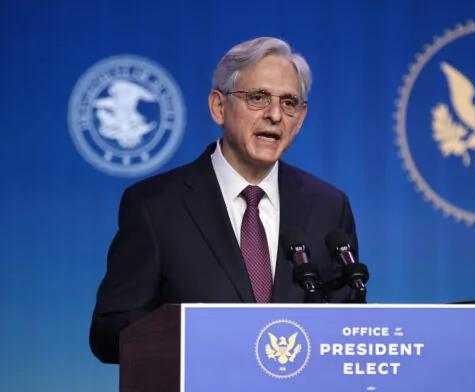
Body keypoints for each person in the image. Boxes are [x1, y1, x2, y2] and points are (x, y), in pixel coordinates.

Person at [90, 37, 359, 364]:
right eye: (258, 98)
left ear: (300, 119)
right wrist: (194, 334)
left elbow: (347, 332)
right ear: (219, 106)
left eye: (289, 102)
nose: (275, 115)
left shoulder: (328, 207)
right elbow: (107, 334)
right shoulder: (155, 206)